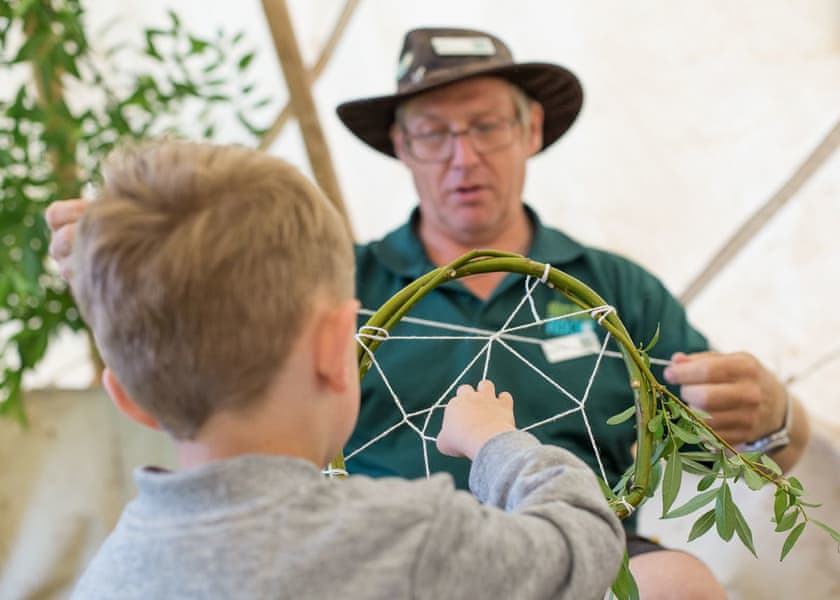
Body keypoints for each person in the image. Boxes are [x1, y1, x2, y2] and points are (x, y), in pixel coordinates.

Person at [46, 28, 810, 600]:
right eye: (433, 133)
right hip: (373, 555)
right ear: (400, 149)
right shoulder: (330, 280)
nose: (462, 157)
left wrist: (778, 415)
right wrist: (146, 258)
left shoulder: (612, 287)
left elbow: (745, 453)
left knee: (680, 581)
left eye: (485, 127)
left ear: (531, 131)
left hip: (582, 551)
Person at [65, 140, 624, 599]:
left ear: (127, 396)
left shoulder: (108, 575)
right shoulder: (409, 537)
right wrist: (496, 443)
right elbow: (585, 539)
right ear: (339, 346)